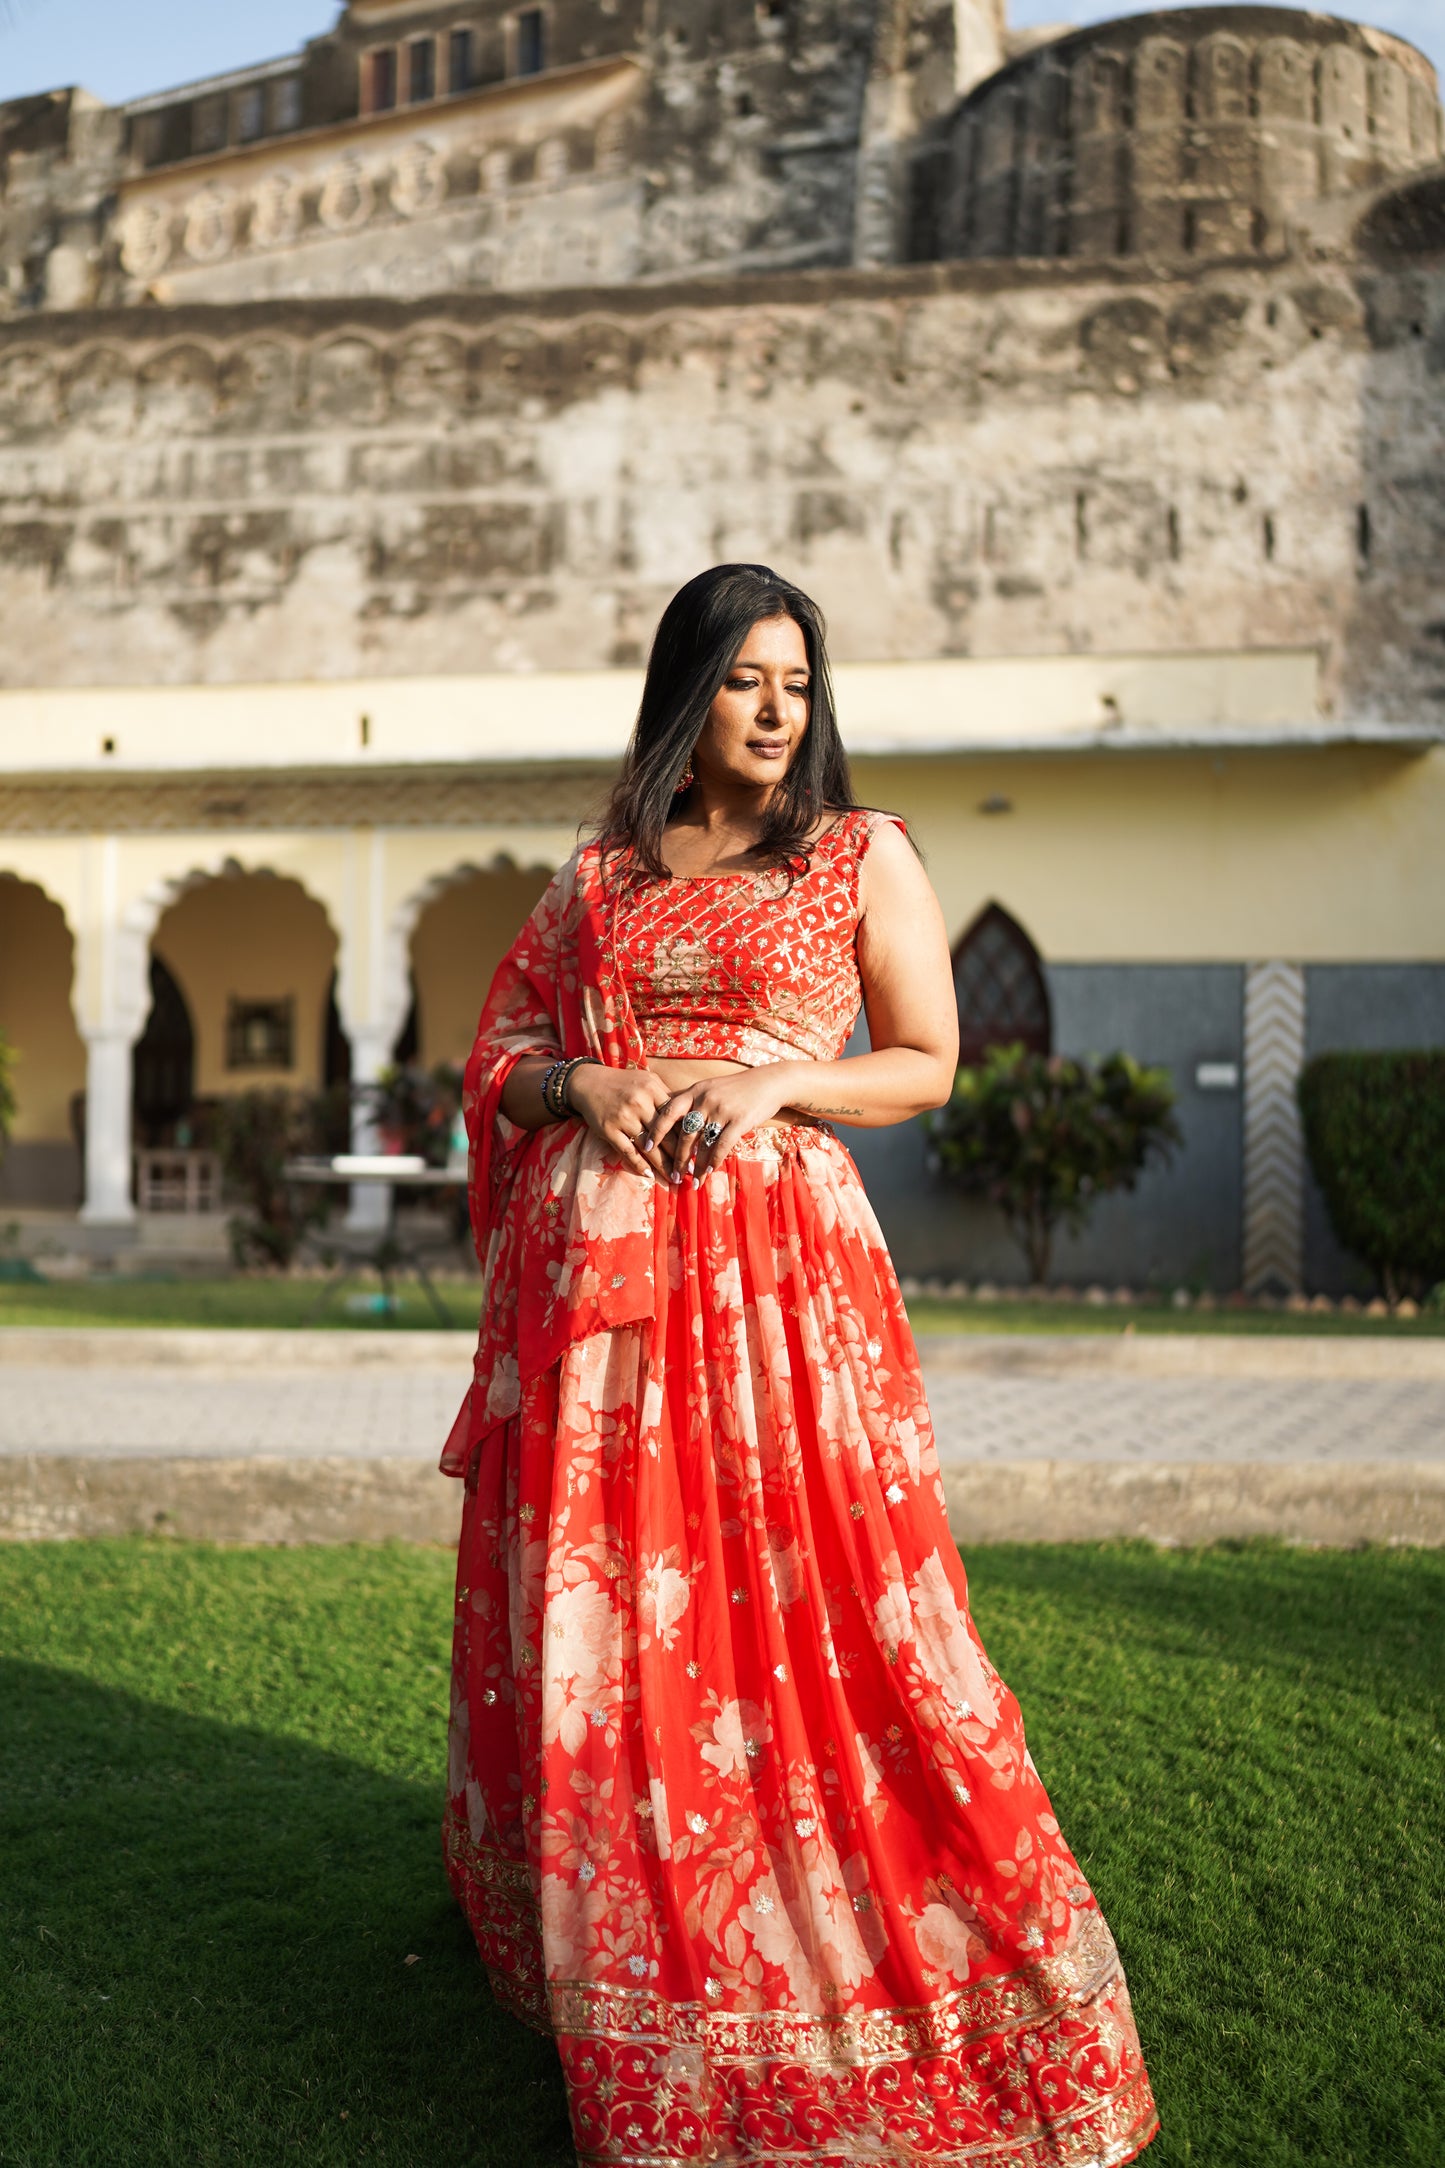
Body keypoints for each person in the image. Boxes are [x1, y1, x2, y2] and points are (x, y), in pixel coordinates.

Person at [441, 564, 1159, 2166]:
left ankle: (907, 1950)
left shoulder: (858, 854)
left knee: (827, 1604)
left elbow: (925, 1062)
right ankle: (633, 1953)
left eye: (796, 684)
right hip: (606, 1314)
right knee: (621, 1616)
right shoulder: (598, 880)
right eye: (746, 682)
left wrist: (771, 1085)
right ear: (684, 698)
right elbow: (495, 1056)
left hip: (778, 1291)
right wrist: (585, 1081)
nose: (776, 713)